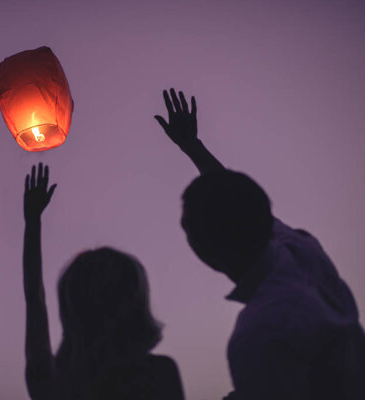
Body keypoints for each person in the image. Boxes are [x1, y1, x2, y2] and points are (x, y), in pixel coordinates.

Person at [154, 88, 365, 400]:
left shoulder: (257, 336)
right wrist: (192, 146)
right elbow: (235, 202)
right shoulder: (304, 252)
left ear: (207, 256)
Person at [22, 163, 184, 400]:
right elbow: (34, 297)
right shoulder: (158, 374)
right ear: (135, 300)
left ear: (71, 304)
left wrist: (32, 222)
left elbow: (34, 297)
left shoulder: (51, 378)